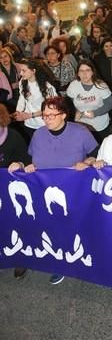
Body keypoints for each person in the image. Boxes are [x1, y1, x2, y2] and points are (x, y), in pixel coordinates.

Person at [8, 96, 98, 285]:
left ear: (64, 115)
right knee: (46, 227)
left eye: (51, 115)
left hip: (72, 190)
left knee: (69, 229)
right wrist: (22, 164)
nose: (47, 119)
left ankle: (66, 263)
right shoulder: (39, 134)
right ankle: (47, 259)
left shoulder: (80, 132)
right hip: (44, 190)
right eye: (45, 115)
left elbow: (96, 156)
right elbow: (33, 161)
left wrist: (86, 162)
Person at [0, 103, 30, 280]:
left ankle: (21, 258)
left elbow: (27, 160)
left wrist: (19, 164)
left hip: (12, 189)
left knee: (15, 223)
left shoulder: (13, 137)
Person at [66, 60, 112, 143]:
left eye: (87, 70)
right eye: (81, 71)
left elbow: (109, 104)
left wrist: (95, 113)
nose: (84, 74)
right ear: (78, 73)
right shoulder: (73, 85)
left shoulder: (101, 85)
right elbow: (68, 103)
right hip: (80, 125)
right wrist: (75, 112)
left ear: (92, 72)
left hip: (99, 126)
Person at [13, 59, 57, 142]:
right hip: (28, 124)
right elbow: (22, 98)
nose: (21, 73)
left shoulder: (47, 86)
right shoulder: (22, 82)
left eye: (24, 70)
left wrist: (30, 115)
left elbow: (53, 109)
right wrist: (18, 111)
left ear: (33, 71)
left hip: (44, 124)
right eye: (20, 70)